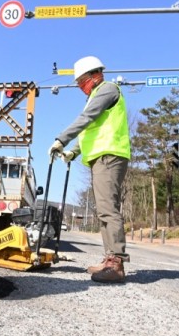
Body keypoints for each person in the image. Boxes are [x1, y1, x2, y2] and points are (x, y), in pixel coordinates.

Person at [48, 56, 131, 283]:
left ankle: (116, 264)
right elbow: (88, 130)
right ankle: (109, 259)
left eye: (81, 81)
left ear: (95, 75)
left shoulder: (108, 89)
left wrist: (61, 139)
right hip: (101, 157)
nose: (79, 87)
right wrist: (72, 152)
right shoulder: (97, 95)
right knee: (104, 210)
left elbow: (86, 118)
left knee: (108, 210)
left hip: (110, 155)